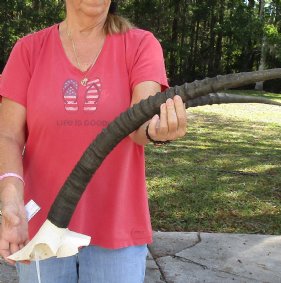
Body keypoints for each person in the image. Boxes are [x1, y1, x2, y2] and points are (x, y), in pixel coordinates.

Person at [0, 0, 187, 282]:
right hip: (41, 229)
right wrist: (11, 200)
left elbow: (140, 124)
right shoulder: (28, 50)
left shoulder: (140, 44)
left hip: (117, 226)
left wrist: (156, 129)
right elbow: (8, 135)